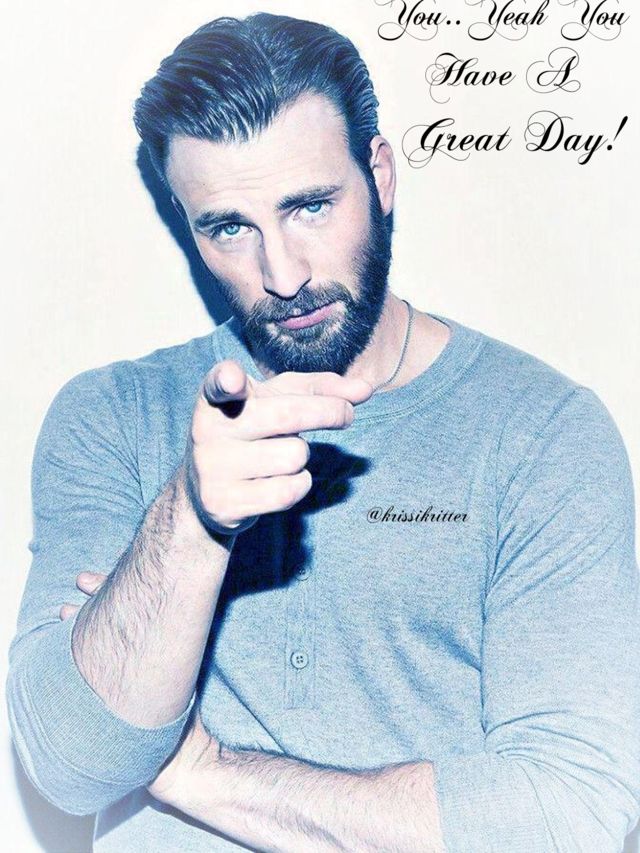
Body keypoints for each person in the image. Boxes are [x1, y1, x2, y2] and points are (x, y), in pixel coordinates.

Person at [6, 12, 640, 852]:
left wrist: (206, 771)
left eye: (309, 206)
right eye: (228, 227)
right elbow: (71, 764)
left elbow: (572, 815)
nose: (283, 273)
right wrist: (192, 518)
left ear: (380, 175)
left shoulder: (541, 433)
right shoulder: (113, 416)